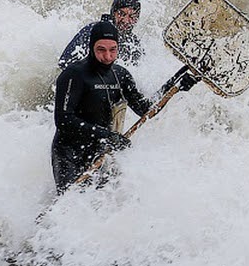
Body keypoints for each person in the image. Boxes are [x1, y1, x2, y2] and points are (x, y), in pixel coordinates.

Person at [51, 21, 196, 192]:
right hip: (69, 152)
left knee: (99, 209)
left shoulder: (120, 75)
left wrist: (175, 84)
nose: (107, 57)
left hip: (100, 153)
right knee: (70, 205)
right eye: (101, 50)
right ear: (91, 47)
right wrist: (107, 135)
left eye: (113, 50)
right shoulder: (73, 74)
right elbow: (63, 120)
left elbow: (145, 110)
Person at [56, 0, 144, 70]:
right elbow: (64, 64)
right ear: (113, 13)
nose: (125, 20)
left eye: (132, 17)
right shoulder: (93, 31)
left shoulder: (133, 44)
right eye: (122, 14)